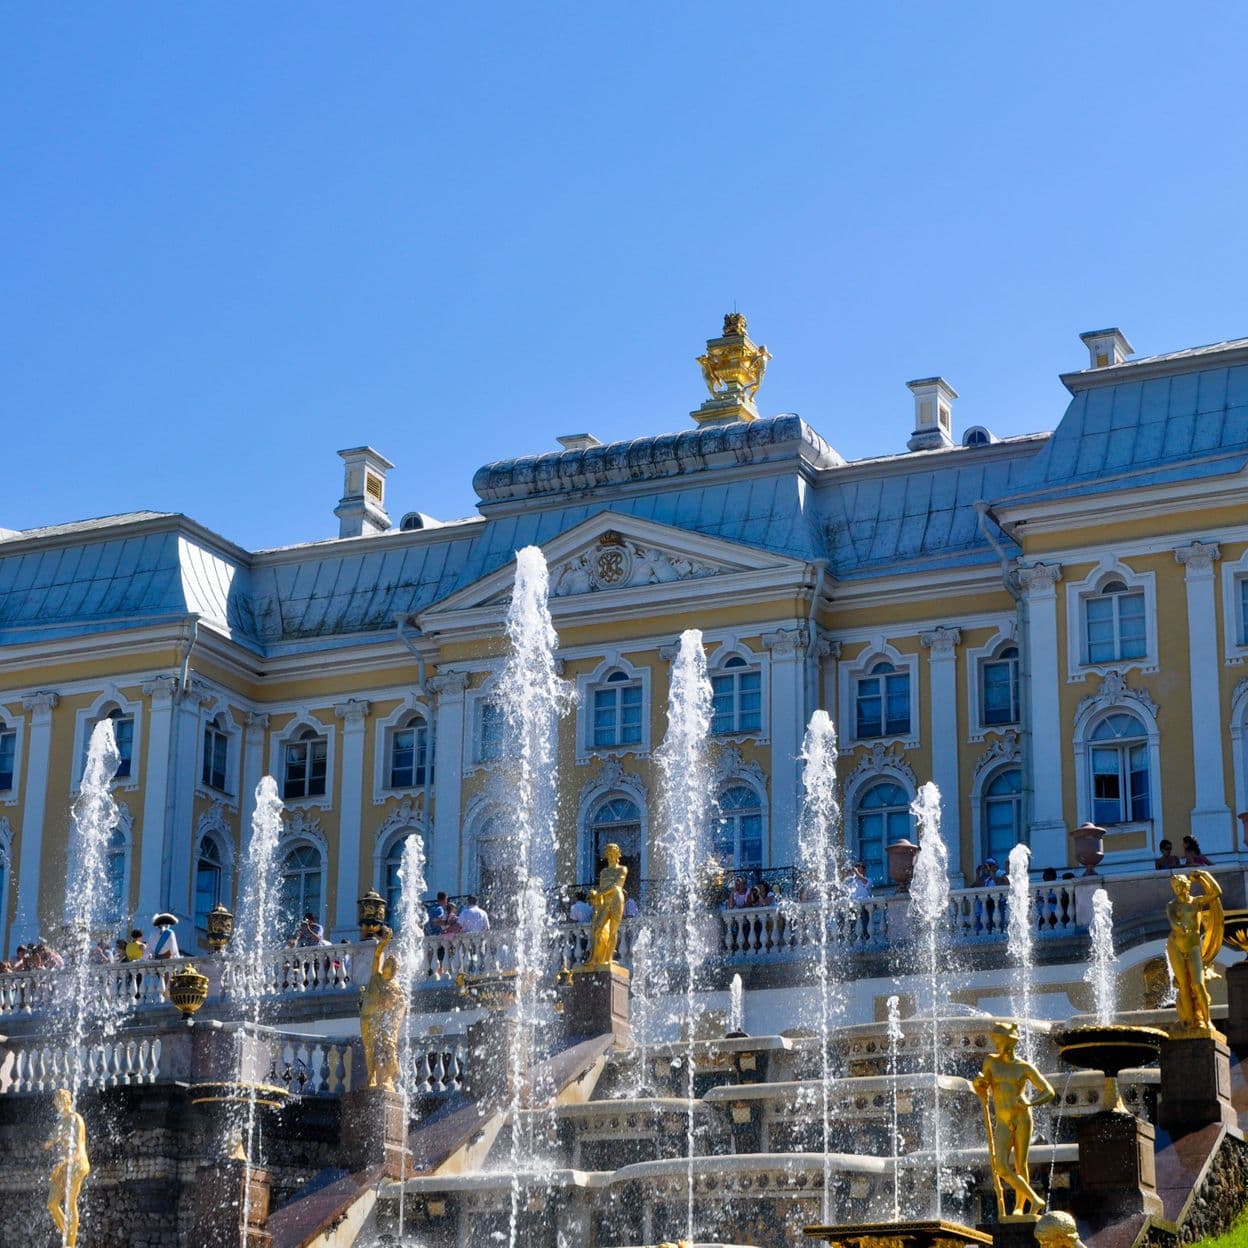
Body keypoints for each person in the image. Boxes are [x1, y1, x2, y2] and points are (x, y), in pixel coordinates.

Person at [973, 1021, 1055, 1217]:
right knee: (1001, 1167)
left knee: (1020, 1164)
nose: (996, 1044)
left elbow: (1049, 1091)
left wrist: (1030, 1104)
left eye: (999, 1040)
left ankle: (1021, 1207)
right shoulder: (990, 1061)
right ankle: (1035, 1199)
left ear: (1010, 1042)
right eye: (996, 1040)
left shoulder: (1024, 1067)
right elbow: (982, 1084)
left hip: (1022, 1118)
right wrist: (978, 1083)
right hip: (1002, 1120)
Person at [1166, 870, 1223, 1033]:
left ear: (1187, 886)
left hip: (1193, 948)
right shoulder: (1172, 905)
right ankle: (1190, 1022)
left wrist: (1204, 875)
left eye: (1179, 886)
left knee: (1198, 985)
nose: (1177, 890)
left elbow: (1217, 892)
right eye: (1175, 887)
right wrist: (1179, 926)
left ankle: (1207, 1021)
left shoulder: (1196, 902)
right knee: (1183, 986)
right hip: (1176, 947)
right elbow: (1172, 922)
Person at [45, 1087, 90, 1247]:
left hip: (77, 1164)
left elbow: (78, 1150)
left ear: (65, 1100)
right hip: (64, 1165)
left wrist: (60, 1163)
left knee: (70, 1202)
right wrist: (50, 1140)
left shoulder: (76, 1119)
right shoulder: (61, 1122)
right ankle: (69, 1236)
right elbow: (47, 1144)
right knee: (52, 1203)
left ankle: (70, 1244)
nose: (55, 1104)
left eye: (57, 1101)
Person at [585, 841, 628, 967]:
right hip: (605, 902)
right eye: (608, 853)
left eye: (612, 853)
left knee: (613, 931)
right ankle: (595, 958)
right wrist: (596, 895)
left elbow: (616, 885)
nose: (610, 856)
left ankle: (608, 959)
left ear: (617, 855)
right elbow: (602, 887)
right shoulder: (604, 872)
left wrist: (599, 893)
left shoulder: (622, 869)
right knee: (598, 928)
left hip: (616, 900)